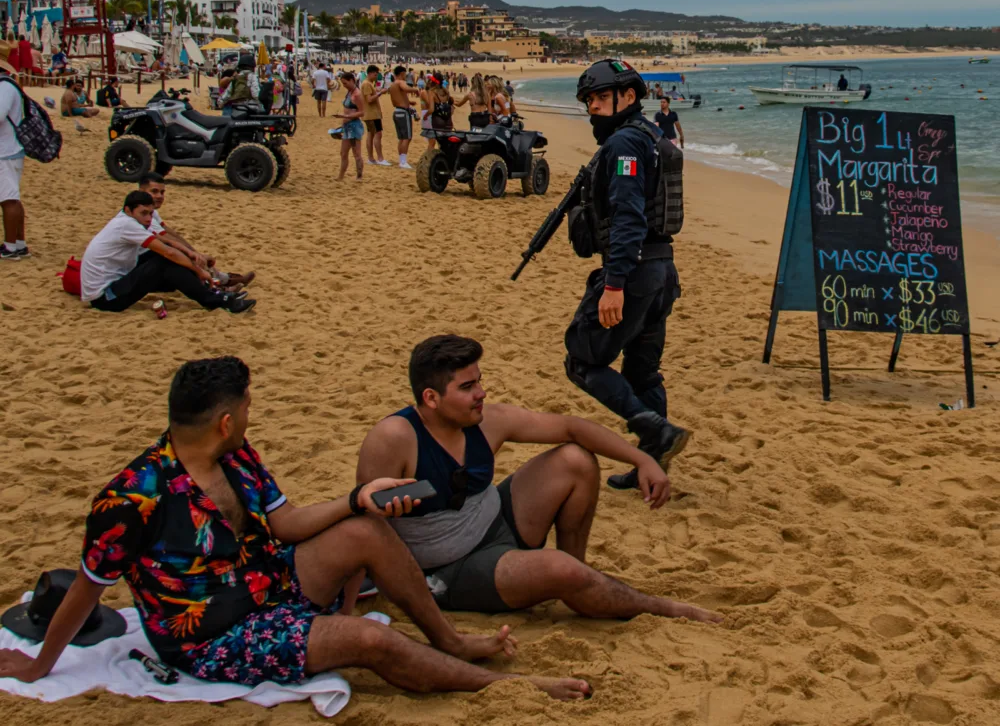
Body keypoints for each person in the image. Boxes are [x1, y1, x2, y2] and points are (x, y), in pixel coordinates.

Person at [0, 357, 591, 702]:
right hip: (211, 635)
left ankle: (448, 639)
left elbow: (284, 523)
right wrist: (37, 665)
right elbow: (87, 586)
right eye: (249, 409)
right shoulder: (132, 497)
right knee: (370, 642)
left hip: (267, 583)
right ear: (226, 420)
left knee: (365, 531)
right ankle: (513, 689)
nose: (251, 416)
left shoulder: (236, 456)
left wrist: (356, 500)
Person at [355, 336, 721, 623]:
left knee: (576, 460)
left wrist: (643, 459)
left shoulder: (487, 420)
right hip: (449, 569)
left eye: (479, 381)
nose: (481, 393)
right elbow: (363, 530)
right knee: (558, 570)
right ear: (431, 398)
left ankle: (579, 577)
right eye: (467, 387)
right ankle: (662, 608)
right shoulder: (393, 439)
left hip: (496, 523)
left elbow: (570, 427)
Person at [565, 59, 689, 492]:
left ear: (629, 96)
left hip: (635, 274)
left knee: (581, 360)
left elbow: (628, 219)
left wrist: (614, 285)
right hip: (662, 271)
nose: (594, 108)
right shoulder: (653, 136)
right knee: (643, 372)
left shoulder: (623, 147)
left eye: (601, 98)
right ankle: (650, 467)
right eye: (589, 102)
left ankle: (654, 430)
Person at [80, 190, 255, 313]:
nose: (148, 218)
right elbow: (167, 252)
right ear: (128, 210)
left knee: (169, 261)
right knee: (164, 262)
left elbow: (167, 241)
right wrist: (198, 270)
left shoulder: (128, 220)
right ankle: (218, 300)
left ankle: (215, 292)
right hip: (106, 298)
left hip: (115, 284)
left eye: (151, 213)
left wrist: (191, 254)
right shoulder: (126, 224)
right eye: (144, 214)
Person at [137, 173, 255, 289]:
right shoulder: (143, 215)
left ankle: (221, 282)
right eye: (154, 191)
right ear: (141, 191)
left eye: (162, 192)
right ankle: (220, 284)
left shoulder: (149, 211)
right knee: (178, 256)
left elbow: (170, 232)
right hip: (137, 264)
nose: (159, 196)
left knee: (183, 255)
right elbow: (168, 238)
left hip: (145, 257)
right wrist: (194, 255)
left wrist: (194, 252)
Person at [0, 41, 27, 261]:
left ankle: (11, 247)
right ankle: (19, 242)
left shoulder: (4, 87)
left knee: (8, 199)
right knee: (12, 199)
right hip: (10, 149)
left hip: (5, 151)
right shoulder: (8, 85)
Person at [333, 72, 365, 182]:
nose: (344, 85)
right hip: (347, 126)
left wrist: (345, 116)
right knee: (343, 152)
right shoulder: (349, 92)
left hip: (354, 126)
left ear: (352, 80)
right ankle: (341, 176)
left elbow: (362, 112)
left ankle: (359, 176)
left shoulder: (357, 94)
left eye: (345, 83)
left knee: (356, 153)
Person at [389, 65, 420, 170]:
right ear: (402, 73)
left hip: (396, 111)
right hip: (403, 113)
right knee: (407, 137)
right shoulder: (400, 82)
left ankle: (401, 159)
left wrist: (409, 102)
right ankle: (403, 162)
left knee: (402, 138)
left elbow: (398, 98)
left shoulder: (393, 85)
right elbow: (406, 88)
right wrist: (415, 90)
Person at [361, 64, 390, 166]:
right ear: (369, 73)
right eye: (375, 74)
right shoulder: (367, 84)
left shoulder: (368, 84)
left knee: (371, 135)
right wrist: (379, 93)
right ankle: (380, 158)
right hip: (372, 114)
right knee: (377, 134)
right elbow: (369, 99)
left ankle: (371, 158)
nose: (376, 76)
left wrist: (378, 91)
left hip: (370, 114)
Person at [423, 73, 453, 151]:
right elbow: (451, 107)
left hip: (437, 120)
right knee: (445, 144)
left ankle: (429, 160)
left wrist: (425, 115)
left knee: (432, 143)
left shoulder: (432, 92)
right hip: (448, 121)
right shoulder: (446, 92)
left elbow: (431, 109)